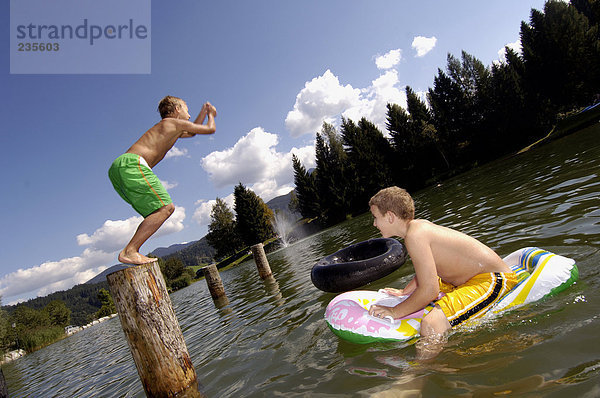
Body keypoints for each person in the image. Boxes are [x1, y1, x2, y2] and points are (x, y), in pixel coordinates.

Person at [367, 186, 517, 358]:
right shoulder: (417, 228)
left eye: (376, 217)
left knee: (430, 323)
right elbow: (428, 268)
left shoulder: (415, 236)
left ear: (390, 216)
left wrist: (395, 312)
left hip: (491, 279)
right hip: (469, 277)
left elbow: (430, 291)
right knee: (421, 292)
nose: (374, 224)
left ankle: (419, 375)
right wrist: (405, 291)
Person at [108, 95, 217, 265]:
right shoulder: (173, 123)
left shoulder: (170, 127)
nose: (189, 115)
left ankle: (132, 250)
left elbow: (193, 131)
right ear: (177, 110)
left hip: (120, 168)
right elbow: (209, 129)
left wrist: (202, 111)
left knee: (156, 212)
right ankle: (130, 251)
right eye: (187, 111)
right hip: (133, 164)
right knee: (166, 208)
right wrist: (211, 114)